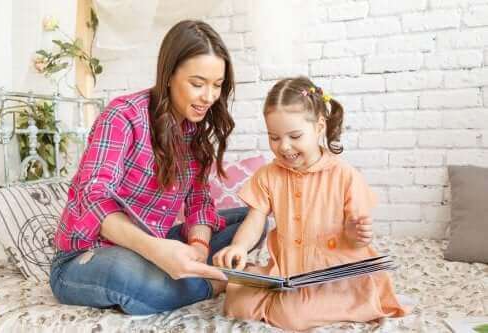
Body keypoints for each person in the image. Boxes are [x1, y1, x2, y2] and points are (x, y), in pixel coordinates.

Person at [50, 20, 262, 315]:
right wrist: (156, 250)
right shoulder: (123, 116)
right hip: (87, 255)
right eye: (198, 84)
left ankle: (188, 271)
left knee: (252, 220)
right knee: (127, 273)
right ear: (169, 75)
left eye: (217, 85)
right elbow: (94, 196)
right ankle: (217, 283)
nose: (210, 97)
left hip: (154, 242)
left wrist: (199, 250)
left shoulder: (194, 130)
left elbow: (199, 203)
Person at [213, 76, 409, 331]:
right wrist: (239, 246)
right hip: (290, 269)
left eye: (294, 136)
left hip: (332, 274)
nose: (284, 146)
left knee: (291, 317)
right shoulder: (269, 175)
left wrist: (355, 234)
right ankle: (277, 295)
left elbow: (359, 239)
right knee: (235, 303)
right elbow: (255, 218)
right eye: (274, 137)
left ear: (319, 127)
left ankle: (349, 301)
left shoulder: (344, 175)